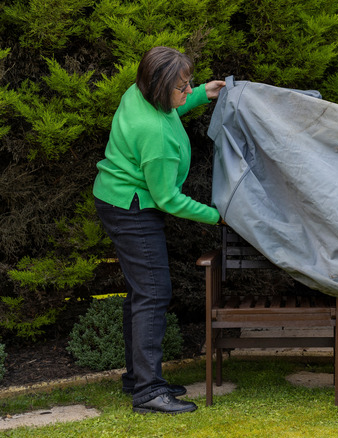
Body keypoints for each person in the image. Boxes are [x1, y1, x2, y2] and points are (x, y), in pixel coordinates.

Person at [93, 46, 225, 414]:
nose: (187, 90)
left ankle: (138, 378)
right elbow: (168, 198)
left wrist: (202, 94)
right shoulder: (154, 134)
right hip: (132, 208)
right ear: (159, 86)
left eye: (189, 84)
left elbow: (171, 107)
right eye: (182, 87)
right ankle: (148, 391)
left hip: (116, 197)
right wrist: (218, 216)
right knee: (153, 293)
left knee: (142, 292)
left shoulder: (138, 93)